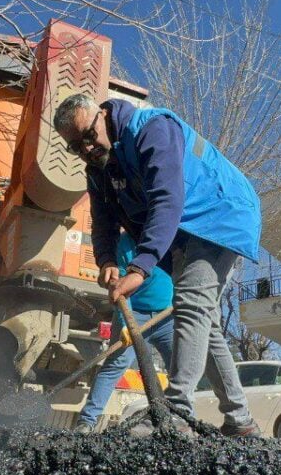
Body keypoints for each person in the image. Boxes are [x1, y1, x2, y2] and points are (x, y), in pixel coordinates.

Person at [53, 93, 262, 437]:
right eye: (76, 146)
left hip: (221, 214)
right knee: (204, 323)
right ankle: (240, 421)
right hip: (185, 229)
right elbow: (103, 220)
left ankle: (176, 411)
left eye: (89, 136)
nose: (87, 149)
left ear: (103, 115)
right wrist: (105, 259)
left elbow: (167, 199)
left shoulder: (152, 129)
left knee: (191, 304)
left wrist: (139, 268)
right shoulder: (99, 168)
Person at [75, 232, 175, 434]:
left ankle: (176, 419)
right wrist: (124, 323)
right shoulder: (124, 244)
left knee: (181, 368)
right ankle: (86, 422)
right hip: (135, 313)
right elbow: (119, 289)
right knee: (116, 364)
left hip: (168, 314)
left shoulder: (169, 235)